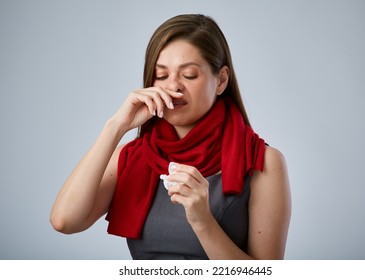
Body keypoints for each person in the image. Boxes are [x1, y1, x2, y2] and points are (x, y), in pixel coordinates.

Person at [50, 14, 291, 260]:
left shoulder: (264, 162)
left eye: (188, 75)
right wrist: (114, 127)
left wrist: (203, 222)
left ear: (221, 80)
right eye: (162, 76)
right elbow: (64, 221)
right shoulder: (130, 156)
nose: (173, 87)